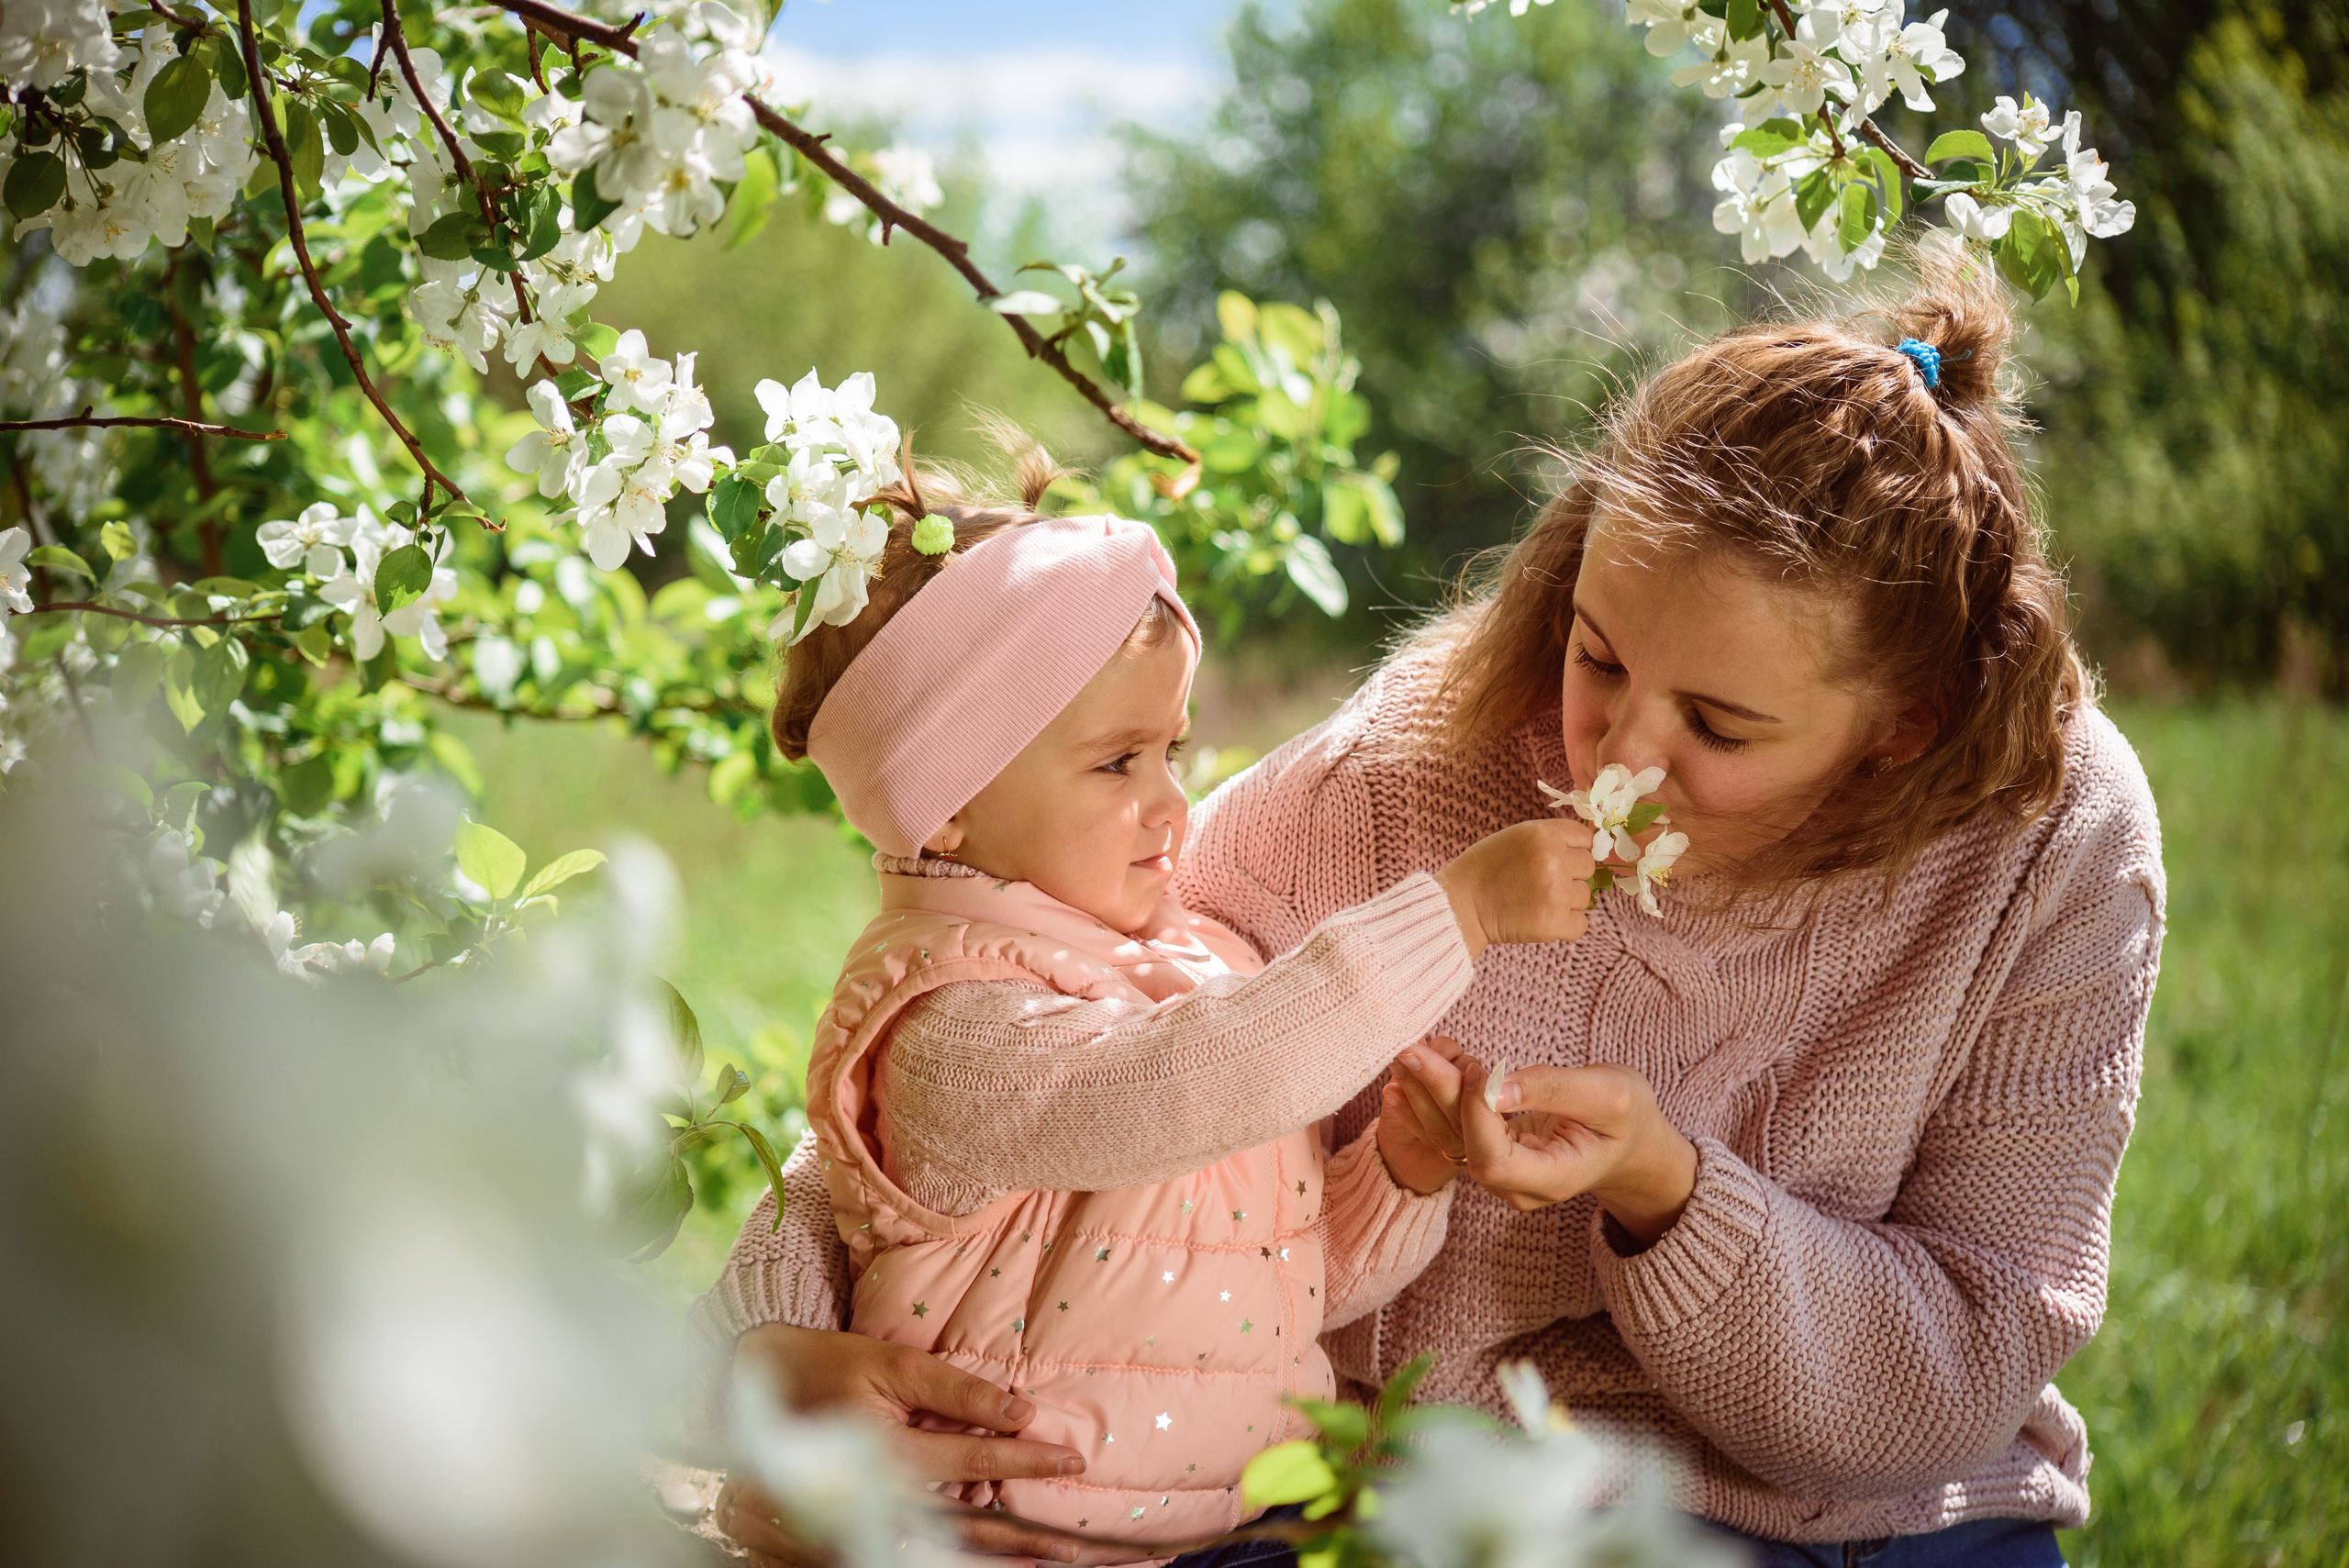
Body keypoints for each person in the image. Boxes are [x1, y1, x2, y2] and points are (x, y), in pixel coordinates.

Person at [700, 245, 2164, 1568]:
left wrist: (1668, 1194)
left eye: (1719, 727)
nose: (1614, 754)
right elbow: (1005, 1047)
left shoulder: (2051, 842)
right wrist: (763, 1355)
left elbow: (1964, 1361)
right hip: (1455, 1502)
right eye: (1596, 659)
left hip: (1893, 1525)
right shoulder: (1415, 772)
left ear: (1903, 725)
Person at [741, 466, 1598, 1562]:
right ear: (945, 806)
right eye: (1115, 761)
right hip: (995, 1537)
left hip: (1229, 1530)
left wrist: (1396, 1174)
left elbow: (1277, 1288)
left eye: (1171, 750)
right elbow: (1179, 1085)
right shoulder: (949, 1023)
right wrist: (1458, 913)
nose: (1170, 800)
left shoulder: (1201, 959)